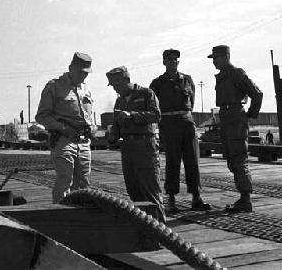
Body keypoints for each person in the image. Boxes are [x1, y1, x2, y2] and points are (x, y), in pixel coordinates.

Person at [149, 49, 210, 213]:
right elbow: (153, 107)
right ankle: (171, 199)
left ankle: (196, 197)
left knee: (192, 161)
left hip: (187, 123)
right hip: (169, 125)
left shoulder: (188, 80)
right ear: (163, 62)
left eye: (176, 59)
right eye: (169, 59)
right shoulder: (157, 83)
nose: (173, 62)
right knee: (172, 162)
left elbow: (192, 102)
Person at [106, 66, 166, 223]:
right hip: (128, 148)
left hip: (145, 145)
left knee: (150, 190)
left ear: (127, 80)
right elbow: (117, 126)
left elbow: (156, 115)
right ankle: (144, 229)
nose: (116, 89)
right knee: (133, 189)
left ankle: (161, 229)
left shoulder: (146, 94)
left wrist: (132, 115)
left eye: (117, 85)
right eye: (113, 86)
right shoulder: (119, 100)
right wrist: (112, 136)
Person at [208, 45, 263, 212]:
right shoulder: (224, 75)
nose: (214, 62)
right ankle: (243, 197)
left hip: (235, 117)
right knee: (232, 159)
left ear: (226, 57)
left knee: (238, 158)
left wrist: (250, 114)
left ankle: (245, 199)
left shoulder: (237, 73)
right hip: (226, 117)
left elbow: (257, 94)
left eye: (216, 58)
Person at [35, 52, 95, 203]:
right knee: (64, 181)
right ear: (70, 68)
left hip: (83, 142)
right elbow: (42, 116)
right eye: (81, 72)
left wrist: (92, 127)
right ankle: (61, 218)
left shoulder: (85, 89)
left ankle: (82, 220)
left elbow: (89, 115)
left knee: (83, 184)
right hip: (63, 140)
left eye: (86, 73)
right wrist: (62, 128)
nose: (84, 76)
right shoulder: (54, 87)